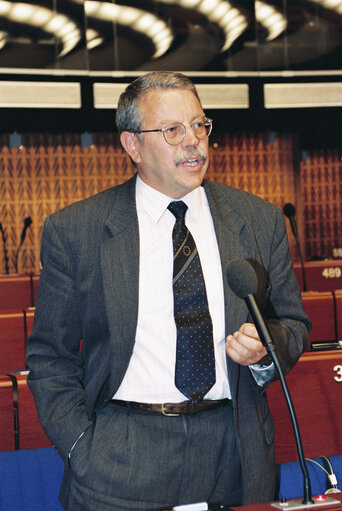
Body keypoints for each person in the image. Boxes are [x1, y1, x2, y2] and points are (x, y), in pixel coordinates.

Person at [26, 71, 311, 511]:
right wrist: (82, 445)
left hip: (234, 450)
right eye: (173, 130)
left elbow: (293, 324)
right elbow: (49, 356)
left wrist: (265, 349)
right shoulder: (76, 230)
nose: (193, 141)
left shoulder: (258, 221)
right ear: (132, 146)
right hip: (120, 455)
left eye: (200, 125)